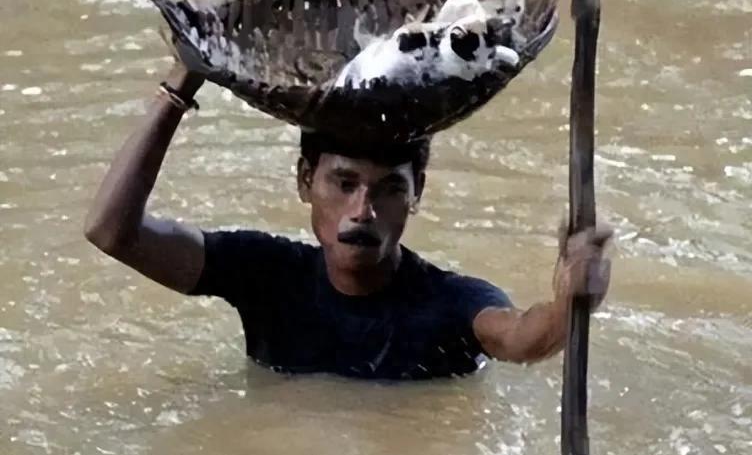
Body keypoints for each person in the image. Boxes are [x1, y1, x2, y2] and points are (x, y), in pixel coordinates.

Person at [84, 63, 612, 380]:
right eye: (344, 184)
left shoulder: (451, 303)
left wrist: (571, 300)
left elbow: (522, 338)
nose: (363, 210)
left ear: (417, 195)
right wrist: (181, 86)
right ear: (304, 181)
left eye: (389, 189)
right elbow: (111, 231)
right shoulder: (265, 275)